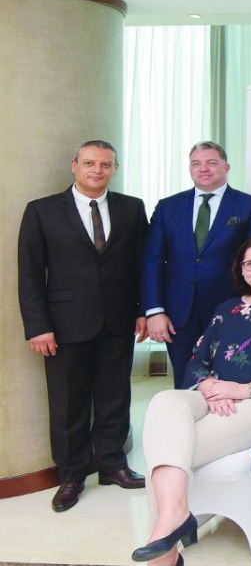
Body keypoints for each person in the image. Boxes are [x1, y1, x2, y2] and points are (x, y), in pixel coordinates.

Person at [133, 235, 251, 566]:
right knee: (165, 401)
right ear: (241, 269)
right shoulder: (227, 308)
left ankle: (162, 557)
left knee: (165, 453)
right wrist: (209, 386)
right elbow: (197, 359)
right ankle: (176, 516)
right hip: (214, 393)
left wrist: (243, 390)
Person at [17, 139, 149, 512]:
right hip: (63, 325)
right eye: (89, 163)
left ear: (114, 169)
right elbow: (29, 274)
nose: (97, 170)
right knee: (67, 403)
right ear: (74, 165)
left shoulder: (131, 208)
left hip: (118, 320)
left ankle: (112, 465)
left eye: (105, 164)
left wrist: (143, 310)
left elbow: (141, 265)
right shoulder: (42, 210)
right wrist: (37, 326)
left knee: (115, 396)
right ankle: (71, 476)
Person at [143, 141, 251, 387]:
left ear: (226, 167)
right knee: (185, 382)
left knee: (229, 383)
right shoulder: (168, 207)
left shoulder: (250, 206)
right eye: (196, 164)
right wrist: (155, 311)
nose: (203, 169)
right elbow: (152, 260)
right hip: (179, 314)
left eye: (211, 162)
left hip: (232, 310)